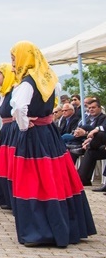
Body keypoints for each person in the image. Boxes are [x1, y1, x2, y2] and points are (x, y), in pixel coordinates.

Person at [9, 40, 95, 248]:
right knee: (56, 177)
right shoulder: (48, 80)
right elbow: (53, 105)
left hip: (34, 135)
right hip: (49, 134)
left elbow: (20, 108)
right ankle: (67, 224)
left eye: (14, 59)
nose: (12, 64)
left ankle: (41, 229)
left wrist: (23, 125)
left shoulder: (27, 83)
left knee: (34, 178)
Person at [0, 63, 18, 211]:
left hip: (13, 130)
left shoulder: (14, 91)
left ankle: (13, 199)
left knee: (9, 166)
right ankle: (5, 198)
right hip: (6, 131)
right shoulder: (5, 92)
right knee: (0, 166)